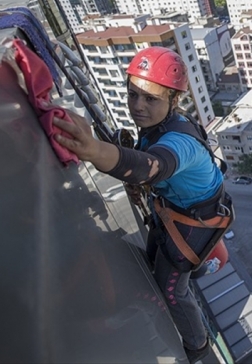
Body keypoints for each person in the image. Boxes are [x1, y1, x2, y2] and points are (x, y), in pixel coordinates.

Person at [53, 46, 232, 364]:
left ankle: (197, 347)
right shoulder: (161, 125)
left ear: (173, 101)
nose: (138, 106)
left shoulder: (180, 143)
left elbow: (152, 166)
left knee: (174, 291)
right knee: (155, 257)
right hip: (174, 211)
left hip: (195, 225)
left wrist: (95, 151)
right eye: (133, 94)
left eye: (150, 99)